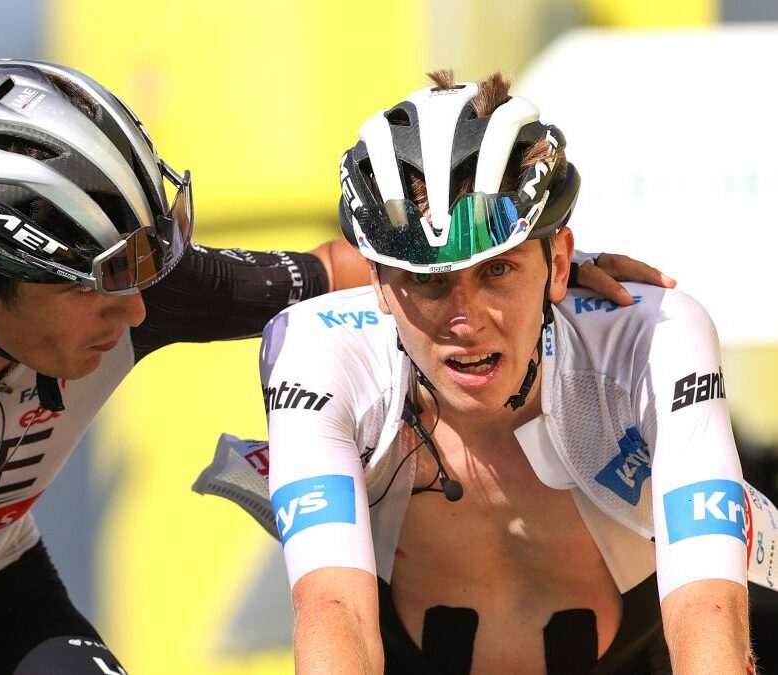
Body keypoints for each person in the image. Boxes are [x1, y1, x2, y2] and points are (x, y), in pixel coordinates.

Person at [0, 61, 661, 674]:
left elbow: (374, 262)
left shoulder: (141, 287)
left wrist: (548, 274)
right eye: (101, 293)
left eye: (146, 278)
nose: (138, 313)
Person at [200, 71, 778, 674]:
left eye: (496, 272)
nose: (464, 319)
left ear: (559, 263)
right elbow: (332, 608)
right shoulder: (315, 350)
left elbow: (708, 611)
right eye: (427, 281)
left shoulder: (652, 336)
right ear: (378, 285)